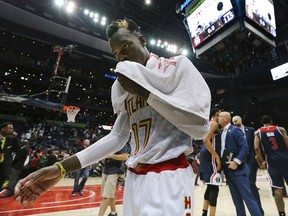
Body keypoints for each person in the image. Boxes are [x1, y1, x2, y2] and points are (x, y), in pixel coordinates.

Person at [14, 18, 211, 215]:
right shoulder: (124, 85)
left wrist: (147, 94)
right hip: (134, 177)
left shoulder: (176, 67)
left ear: (142, 40)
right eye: (117, 54)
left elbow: (200, 129)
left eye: (126, 46)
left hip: (169, 175)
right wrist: (61, 168)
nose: (123, 56)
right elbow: (117, 136)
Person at [218, 111, 262, 216]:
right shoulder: (221, 131)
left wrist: (237, 161)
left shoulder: (235, 130)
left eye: (220, 116)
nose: (218, 118)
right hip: (228, 170)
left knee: (248, 198)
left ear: (226, 119)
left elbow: (245, 147)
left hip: (238, 170)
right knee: (236, 200)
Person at [254, 115, 288, 216]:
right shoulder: (280, 129)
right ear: (271, 121)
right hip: (285, 159)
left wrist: (262, 161)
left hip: (272, 162)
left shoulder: (258, 132)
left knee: (277, 189)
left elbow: (256, 148)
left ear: (262, 122)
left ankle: (281, 213)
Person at [232, 115, 264, 215]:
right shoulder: (232, 132)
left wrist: (259, 159)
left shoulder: (250, 130)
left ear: (241, 120)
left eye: (236, 119)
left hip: (250, 161)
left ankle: (258, 211)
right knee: (241, 188)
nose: (235, 121)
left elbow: (256, 146)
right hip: (238, 163)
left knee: (250, 184)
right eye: (233, 120)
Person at [200, 107, 222, 216]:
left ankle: (204, 213)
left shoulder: (207, 123)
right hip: (211, 156)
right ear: (216, 115)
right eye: (220, 115)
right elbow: (206, 140)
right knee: (214, 187)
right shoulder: (215, 124)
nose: (220, 117)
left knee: (210, 185)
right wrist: (217, 156)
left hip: (205, 154)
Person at [98, 145, 129, 216]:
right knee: (109, 194)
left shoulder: (122, 142)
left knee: (106, 197)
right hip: (105, 170)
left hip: (114, 171)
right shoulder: (110, 141)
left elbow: (125, 157)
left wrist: (110, 156)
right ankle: (113, 212)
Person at [0, 122, 14, 190]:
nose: (12, 130)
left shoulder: (10, 139)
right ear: (3, 129)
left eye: (12, 129)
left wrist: (15, 138)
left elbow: (17, 149)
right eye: (10, 128)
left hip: (4, 166)